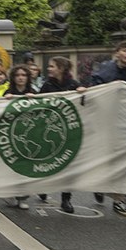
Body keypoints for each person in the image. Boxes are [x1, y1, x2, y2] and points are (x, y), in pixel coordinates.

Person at [89, 41, 126, 217]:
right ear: (117, 53)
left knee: (122, 162)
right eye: (125, 50)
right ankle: (99, 185)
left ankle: (119, 200)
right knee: (104, 160)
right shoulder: (104, 70)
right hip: (104, 123)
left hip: (125, 125)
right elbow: (95, 91)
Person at [39, 56, 86, 213]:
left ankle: (66, 199)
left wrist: (82, 94)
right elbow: (38, 105)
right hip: (49, 131)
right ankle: (43, 186)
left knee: (68, 165)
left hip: (69, 132)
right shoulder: (47, 85)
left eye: (52, 66)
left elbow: (85, 104)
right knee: (47, 161)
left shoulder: (73, 85)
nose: (49, 69)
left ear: (61, 68)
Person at [4, 64, 36, 209]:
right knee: (11, 166)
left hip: (28, 134)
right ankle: (10, 192)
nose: (21, 78)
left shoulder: (34, 92)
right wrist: (5, 99)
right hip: (12, 134)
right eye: (18, 75)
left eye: (23, 75)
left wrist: (34, 99)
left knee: (26, 167)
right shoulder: (8, 91)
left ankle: (23, 197)